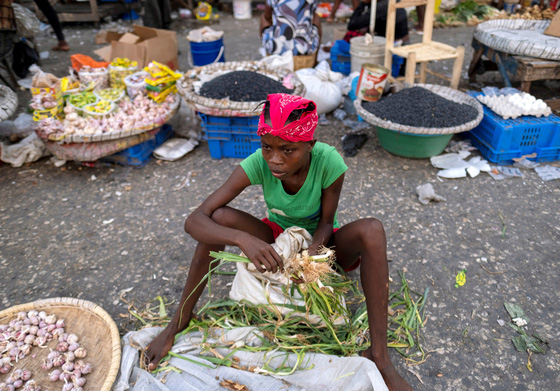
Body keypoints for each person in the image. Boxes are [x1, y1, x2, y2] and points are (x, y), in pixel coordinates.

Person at [144, 93, 413, 391]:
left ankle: (379, 356)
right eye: (267, 147)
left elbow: (326, 222)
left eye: (288, 150)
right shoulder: (259, 163)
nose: (275, 159)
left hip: (325, 244)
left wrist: (313, 256)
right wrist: (243, 239)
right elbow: (194, 220)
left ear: (309, 145)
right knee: (219, 217)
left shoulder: (329, 162)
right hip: (278, 238)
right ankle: (179, 321)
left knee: (372, 230)